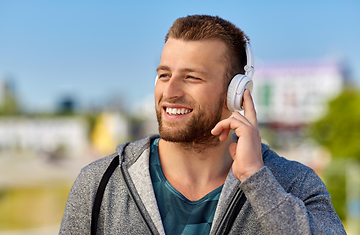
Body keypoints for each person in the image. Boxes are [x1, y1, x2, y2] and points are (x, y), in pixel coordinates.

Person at [59, 15, 346, 235]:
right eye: (164, 74)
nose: (169, 92)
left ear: (236, 92)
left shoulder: (294, 184)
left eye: (191, 77)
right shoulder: (101, 184)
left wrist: (256, 180)